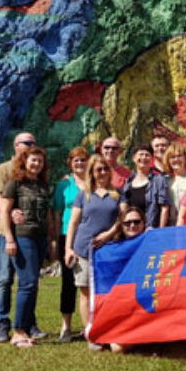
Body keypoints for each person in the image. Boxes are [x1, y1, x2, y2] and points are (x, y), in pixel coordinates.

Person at [0, 131, 46, 343]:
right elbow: (0, 201)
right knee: (7, 279)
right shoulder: (5, 171)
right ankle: (4, 326)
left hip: (34, 235)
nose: (30, 145)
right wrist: (11, 214)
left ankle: (28, 325)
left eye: (33, 143)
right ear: (16, 145)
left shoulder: (39, 181)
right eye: (26, 143)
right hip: (11, 234)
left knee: (30, 281)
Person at [64, 154, 122, 348]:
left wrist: (109, 233)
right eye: (98, 169)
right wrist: (68, 249)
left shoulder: (117, 194)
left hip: (109, 249)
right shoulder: (84, 194)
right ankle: (91, 332)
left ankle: (109, 329)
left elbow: (122, 219)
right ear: (92, 173)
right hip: (84, 249)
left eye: (105, 169)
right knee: (86, 292)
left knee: (108, 292)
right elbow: (73, 222)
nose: (103, 173)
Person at [0, 146, 54, 348]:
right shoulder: (15, 183)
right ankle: (18, 331)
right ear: (24, 161)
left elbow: (47, 213)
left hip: (39, 238)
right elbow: (4, 212)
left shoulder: (42, 185)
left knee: (33, 284)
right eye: (33, 160)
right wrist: (9, 239)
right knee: (27, 283)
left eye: (40, 161)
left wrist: (52, 238)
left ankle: (29, 327)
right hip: (22, 238)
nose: (36, 164)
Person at [89, 207, 148, 354]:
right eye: (127, 223)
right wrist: (110, 232)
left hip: (145, 307)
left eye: (136, 222)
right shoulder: (112, 249)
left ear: (143, 223)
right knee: (116, 346)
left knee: (117, 347)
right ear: (120, 226)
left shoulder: (152, 240)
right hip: (123, 308)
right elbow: (90, 246)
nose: (132, 226)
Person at [52, 146, 88, 343]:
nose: (80, 164)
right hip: (68, 235)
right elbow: (57, 213)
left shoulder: (93, 182)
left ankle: (88, 325)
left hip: (89, 236)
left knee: (88, 282)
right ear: (70, 163)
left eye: (83, 160)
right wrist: (57, 237)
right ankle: (66, 325)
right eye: (76, 160)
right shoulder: (64, 185)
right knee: (68, 282)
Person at [123, 144, 170, 229]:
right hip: (132, 230)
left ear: (151, 159)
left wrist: (160, 231)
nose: (144, 157)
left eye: (147, 155)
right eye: (140, 154)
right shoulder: (128, 182)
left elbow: (164, 208)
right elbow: (125, 208)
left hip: (150, 230)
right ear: (134, 158)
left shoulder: (159, 180)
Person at [163, 142, 186, 225]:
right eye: (172, 157)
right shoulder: (165, 181)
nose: (176, 159)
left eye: (179, 156)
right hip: (170, 227)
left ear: (185, 158)